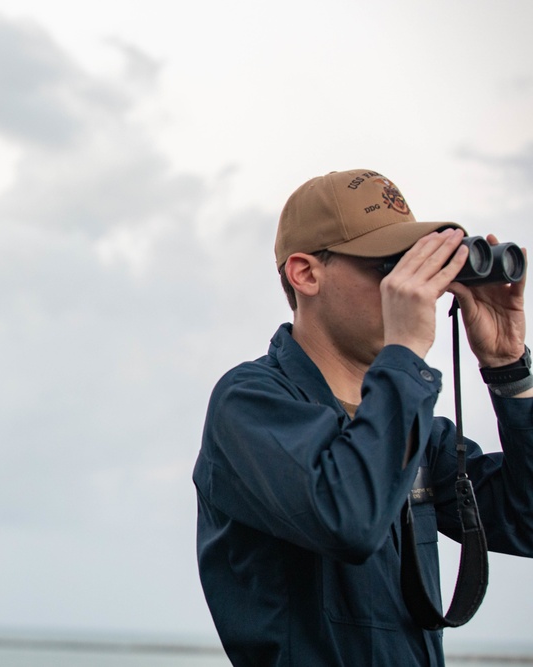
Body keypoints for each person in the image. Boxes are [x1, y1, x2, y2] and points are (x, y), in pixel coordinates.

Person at [193, 169, 533, 666]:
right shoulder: (248, 404)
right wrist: (406, 353)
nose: (415, 289)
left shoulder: (414, 427)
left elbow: (525, 521)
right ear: (305, 273)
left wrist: (509, 369)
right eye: (391, 268)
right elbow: (348, 518)